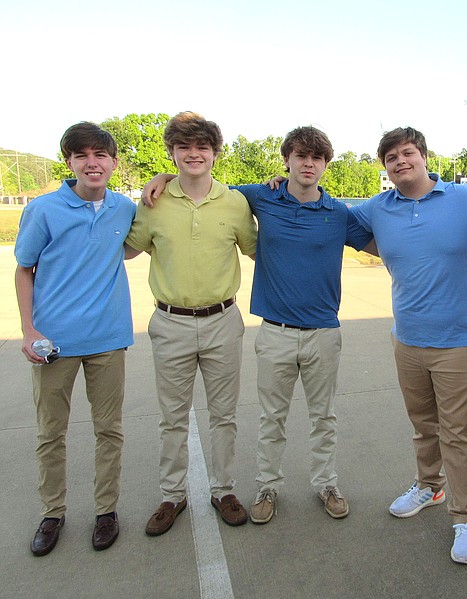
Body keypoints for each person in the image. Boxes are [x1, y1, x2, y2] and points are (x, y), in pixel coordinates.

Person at [142, 126, 374, 523]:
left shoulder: (338, 213)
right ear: (287, 160)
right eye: (300, 156)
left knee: (324, 417)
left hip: (323, 333)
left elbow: (378, 243)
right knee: (272, 419)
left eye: (316, 158)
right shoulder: (260, 196)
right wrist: (162, 177)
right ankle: (267, 485)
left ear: (325, 165)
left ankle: (326, 483)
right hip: (275, 332)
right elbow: (205, 184)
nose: (308, 164)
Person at [348, 127, 467, 565]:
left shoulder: (465, 200)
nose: (400, 162)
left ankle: (466, 517)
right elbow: (332, 219)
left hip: (458, 341)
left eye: (408, 153)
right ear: (385, 167)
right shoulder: (377, 208)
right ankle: (429, 486)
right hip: (408, 339)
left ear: (424, 156)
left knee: (458, 434)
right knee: (423, 425)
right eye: (391, 157)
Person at [126, 112, 258, 536]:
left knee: (224, 415)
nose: (194, 154)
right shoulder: (153, 202)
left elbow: (259, 250)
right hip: (171, 322)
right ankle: (172, 495)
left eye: (202, 146)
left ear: (216, 153)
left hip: (223, 320)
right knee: (172, 416)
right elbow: (128, 250)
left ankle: (223, 490)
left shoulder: (235, 203)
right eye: (184, 147)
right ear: (172, 153)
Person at [15, 122, 136, 555]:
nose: (92, 163)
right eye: (82, 155)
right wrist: (29, 330)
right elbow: (24, 269)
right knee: (51, 432)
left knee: (109, 430)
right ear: (69, 162)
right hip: (55, 344)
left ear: (113, 163)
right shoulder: (44, 210)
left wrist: (160, 178)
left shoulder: (123, 209)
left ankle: (106, 511)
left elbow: (139, 238)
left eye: (100, 155)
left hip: (107, 340)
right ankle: (53, 513)